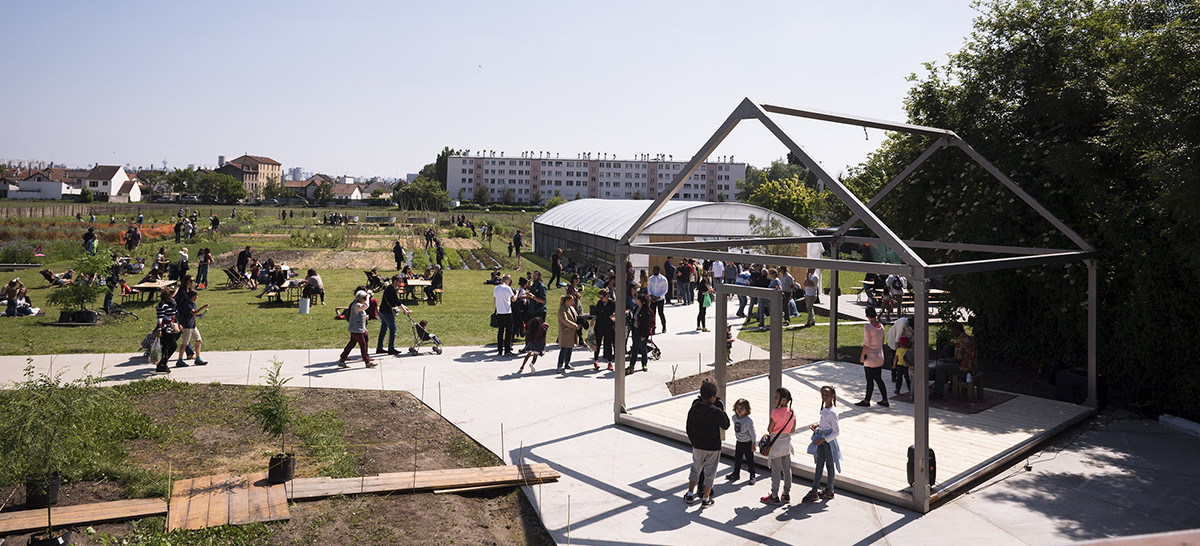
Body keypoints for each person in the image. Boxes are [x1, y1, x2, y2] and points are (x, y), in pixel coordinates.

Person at [683, 379, 730, 507]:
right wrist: (721, 410)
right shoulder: (716, 411)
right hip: (713, 447)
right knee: (710, 473)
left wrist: (694, 440)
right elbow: (726, 425)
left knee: (695, 469)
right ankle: (706, 498)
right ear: (714, 396)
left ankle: (689, 494)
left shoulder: (694, 408)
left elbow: (689, 427)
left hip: (698, 446)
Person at [802, 385, 842, 502]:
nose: (824, 397)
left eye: (827, 395)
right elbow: (826, 423)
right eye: (822, 394)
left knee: (829, 465)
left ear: (832, 396)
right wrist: (818, 425)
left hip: (828, 442)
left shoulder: (833, 412)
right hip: (822, 439)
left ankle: (829, 489)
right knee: (819, 464)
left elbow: (836, 432)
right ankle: (815, 490)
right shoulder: (825, 408)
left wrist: (823, 440)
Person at [760, 387, 796, 505]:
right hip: (787, 444)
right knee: (787, 469)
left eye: (776, 398)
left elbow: (769, 429)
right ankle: (786, 494)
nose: (774, 399)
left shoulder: (775, 412)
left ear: (784, 400)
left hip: (776, 445)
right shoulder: (792, 412)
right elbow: (793, 429)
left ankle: (774, 495)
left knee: (776, 471)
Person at [855, 307, 890, 407]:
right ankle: (885, 400)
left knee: (869, 380)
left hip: (870, 357)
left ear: (867, 316)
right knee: (879, 379)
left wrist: (862, 356)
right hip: (880, 356)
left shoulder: (868, 327)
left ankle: (867, 401)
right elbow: (882, 341)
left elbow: (866, 344)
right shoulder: (881, 326)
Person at [932, 322, 977, 399]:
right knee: (948, 367)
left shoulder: (960, 341)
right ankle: (951, 386)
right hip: (972, 365)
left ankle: (938, 392)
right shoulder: (969, 338)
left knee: (940, 368)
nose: (952, 333)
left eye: (952, 330)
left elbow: (957, 359)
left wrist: (946, 360)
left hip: (964, 367)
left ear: (956, 330)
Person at [338, 290, 375, 368]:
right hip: (356, 329)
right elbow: (366, 306)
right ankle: (367, 362)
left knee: (352, 343)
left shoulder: (358, 305)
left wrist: (364, 327)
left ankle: (342, 359)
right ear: (360, 298)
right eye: (364, 298)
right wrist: (368, 297)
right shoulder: (356, 305)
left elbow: (362, 316)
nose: (365, 299)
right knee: (363, 344)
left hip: (358, 328)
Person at [726, 398, 757, 485]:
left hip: (747, 443)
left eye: (742, 408)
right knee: (737, 459)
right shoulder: (734, 417)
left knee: (749, 460)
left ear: (746, 410)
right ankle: (736, 474)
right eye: (737, 408)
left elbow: (753, 433)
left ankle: (752, 475)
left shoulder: (748, 421)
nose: (739, 410)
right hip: (739, 442)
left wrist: (754, 443)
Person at [175, 289, 209, 367]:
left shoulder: (193, 304)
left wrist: (199, 315)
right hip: (187, 326)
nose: (197, 297)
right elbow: (193, 312)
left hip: (193, 325)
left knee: (198, 340)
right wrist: (203, 307)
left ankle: (198, 358)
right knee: (184, 344)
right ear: (191, 296)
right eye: (195, 296)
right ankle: (179, 360)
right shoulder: (187, 304)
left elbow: (192, 314)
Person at [154, 287, 181, 374]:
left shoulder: (172, 303)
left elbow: (174, 315)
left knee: (166, 347)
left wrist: (179, 324)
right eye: (171, 294)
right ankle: (162, 363)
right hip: (165, 328)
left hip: (171, 327)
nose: (173, 296)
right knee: (172, 345)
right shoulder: (162, 305)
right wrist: (159, 329)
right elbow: (160, 318)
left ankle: (162, 364)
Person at [626, 291, 654, 374]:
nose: (635, 299)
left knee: (643, 348)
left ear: (640, 300)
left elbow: (646, 324)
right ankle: (632, 365)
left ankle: (644, 364)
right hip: (635, 330)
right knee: (634, 348)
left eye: (636, 298)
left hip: (642, 332)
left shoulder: (646, 310)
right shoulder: (636, 308)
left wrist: (644, 335)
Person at [887, 316, 914, 395]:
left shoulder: (914, 327)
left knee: (904, 377)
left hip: (905, 342)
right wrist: (898, 351)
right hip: (896, 338)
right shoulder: (903, 323)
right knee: (894, 355)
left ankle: (908, 389)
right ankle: (893, 374)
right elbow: (897, 339)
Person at [591, 288, 615, 371]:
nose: (601, 299)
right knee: (597, 343)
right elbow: (596, 313)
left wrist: (613, 317)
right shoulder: (599, 303)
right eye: (600, 298)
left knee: (608, 344)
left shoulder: (612, 303)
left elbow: (615, 313)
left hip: (609, 326)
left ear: (607, 296)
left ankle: (609, 362)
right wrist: (593, 319)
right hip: (599, 325)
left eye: (602, 298)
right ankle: (596, 360)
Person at [378, 275, 403, 355]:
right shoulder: (391, 290)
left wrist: (406, 309)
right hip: (387, 312)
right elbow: (397, 302)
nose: (401, 283)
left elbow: (396, 301)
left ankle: (379, 348)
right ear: (395, 281)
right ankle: (391, 348)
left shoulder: (389, 288)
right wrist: (405, 310)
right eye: (399, 281)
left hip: (383, 311)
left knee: (384, 329)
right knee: (393, 329)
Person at [493, 274, 516, 356]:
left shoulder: (496, 288)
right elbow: (513, 299)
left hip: (499, 312)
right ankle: (507, 350)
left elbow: (495, 300)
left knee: (500, 331)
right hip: (507, 312)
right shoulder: (507, 288)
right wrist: (516, 293)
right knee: (508, 332)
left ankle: (499, 349)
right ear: (508, 280)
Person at [556, 293, 580, 374]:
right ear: (567, 301)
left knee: (570, 348)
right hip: (565, 332)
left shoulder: (572, 308)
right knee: (564, 349)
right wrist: (574, 325)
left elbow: (577, 317)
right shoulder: (562, 309)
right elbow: (564, 320)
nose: (573, 302)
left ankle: (567, 363)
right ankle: (559, 365)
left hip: (572, 332)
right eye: (572, 301)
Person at [647, 266, 668, 333]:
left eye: (656, 270)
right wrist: (651, 295)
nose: (654, 271)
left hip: (660, 299)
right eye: (653, 270)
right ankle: (653, 328)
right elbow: (649, 288)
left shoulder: (663, 279)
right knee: (653, 314)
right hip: (653, 299)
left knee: (661, 313)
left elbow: (665, 289)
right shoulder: (650, 279)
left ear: (658, 270)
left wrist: (659, 296)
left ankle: (664, 326)